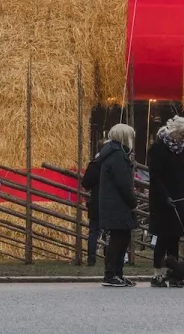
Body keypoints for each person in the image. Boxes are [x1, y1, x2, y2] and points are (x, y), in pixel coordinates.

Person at [146, 116, 184, 287]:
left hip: (179, 196)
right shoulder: (158, 148)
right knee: (163, 238)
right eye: (182, 135)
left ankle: (174, 274)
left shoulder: (180, 149)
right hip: (163, 198)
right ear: (175, 132)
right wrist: (164, 196)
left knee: (175, 237)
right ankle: (157, 275)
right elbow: (155, 176)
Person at [95, 123, 138, 287]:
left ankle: (117, 273)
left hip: (113, 203)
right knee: (118, 240)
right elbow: (123, 183)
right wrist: (132, 201)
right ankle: (111, 274)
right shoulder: (118, 156)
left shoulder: (113, 154)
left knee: (122, 239)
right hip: (117, 204)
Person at [79, 133, 106, 268]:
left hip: (96, 200)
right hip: (109, 201)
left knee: (94, 231)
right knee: (110, 231)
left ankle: (91, 258)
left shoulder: (95, 164)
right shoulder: (109, 163)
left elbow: (86, 182)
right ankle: (110, 257)